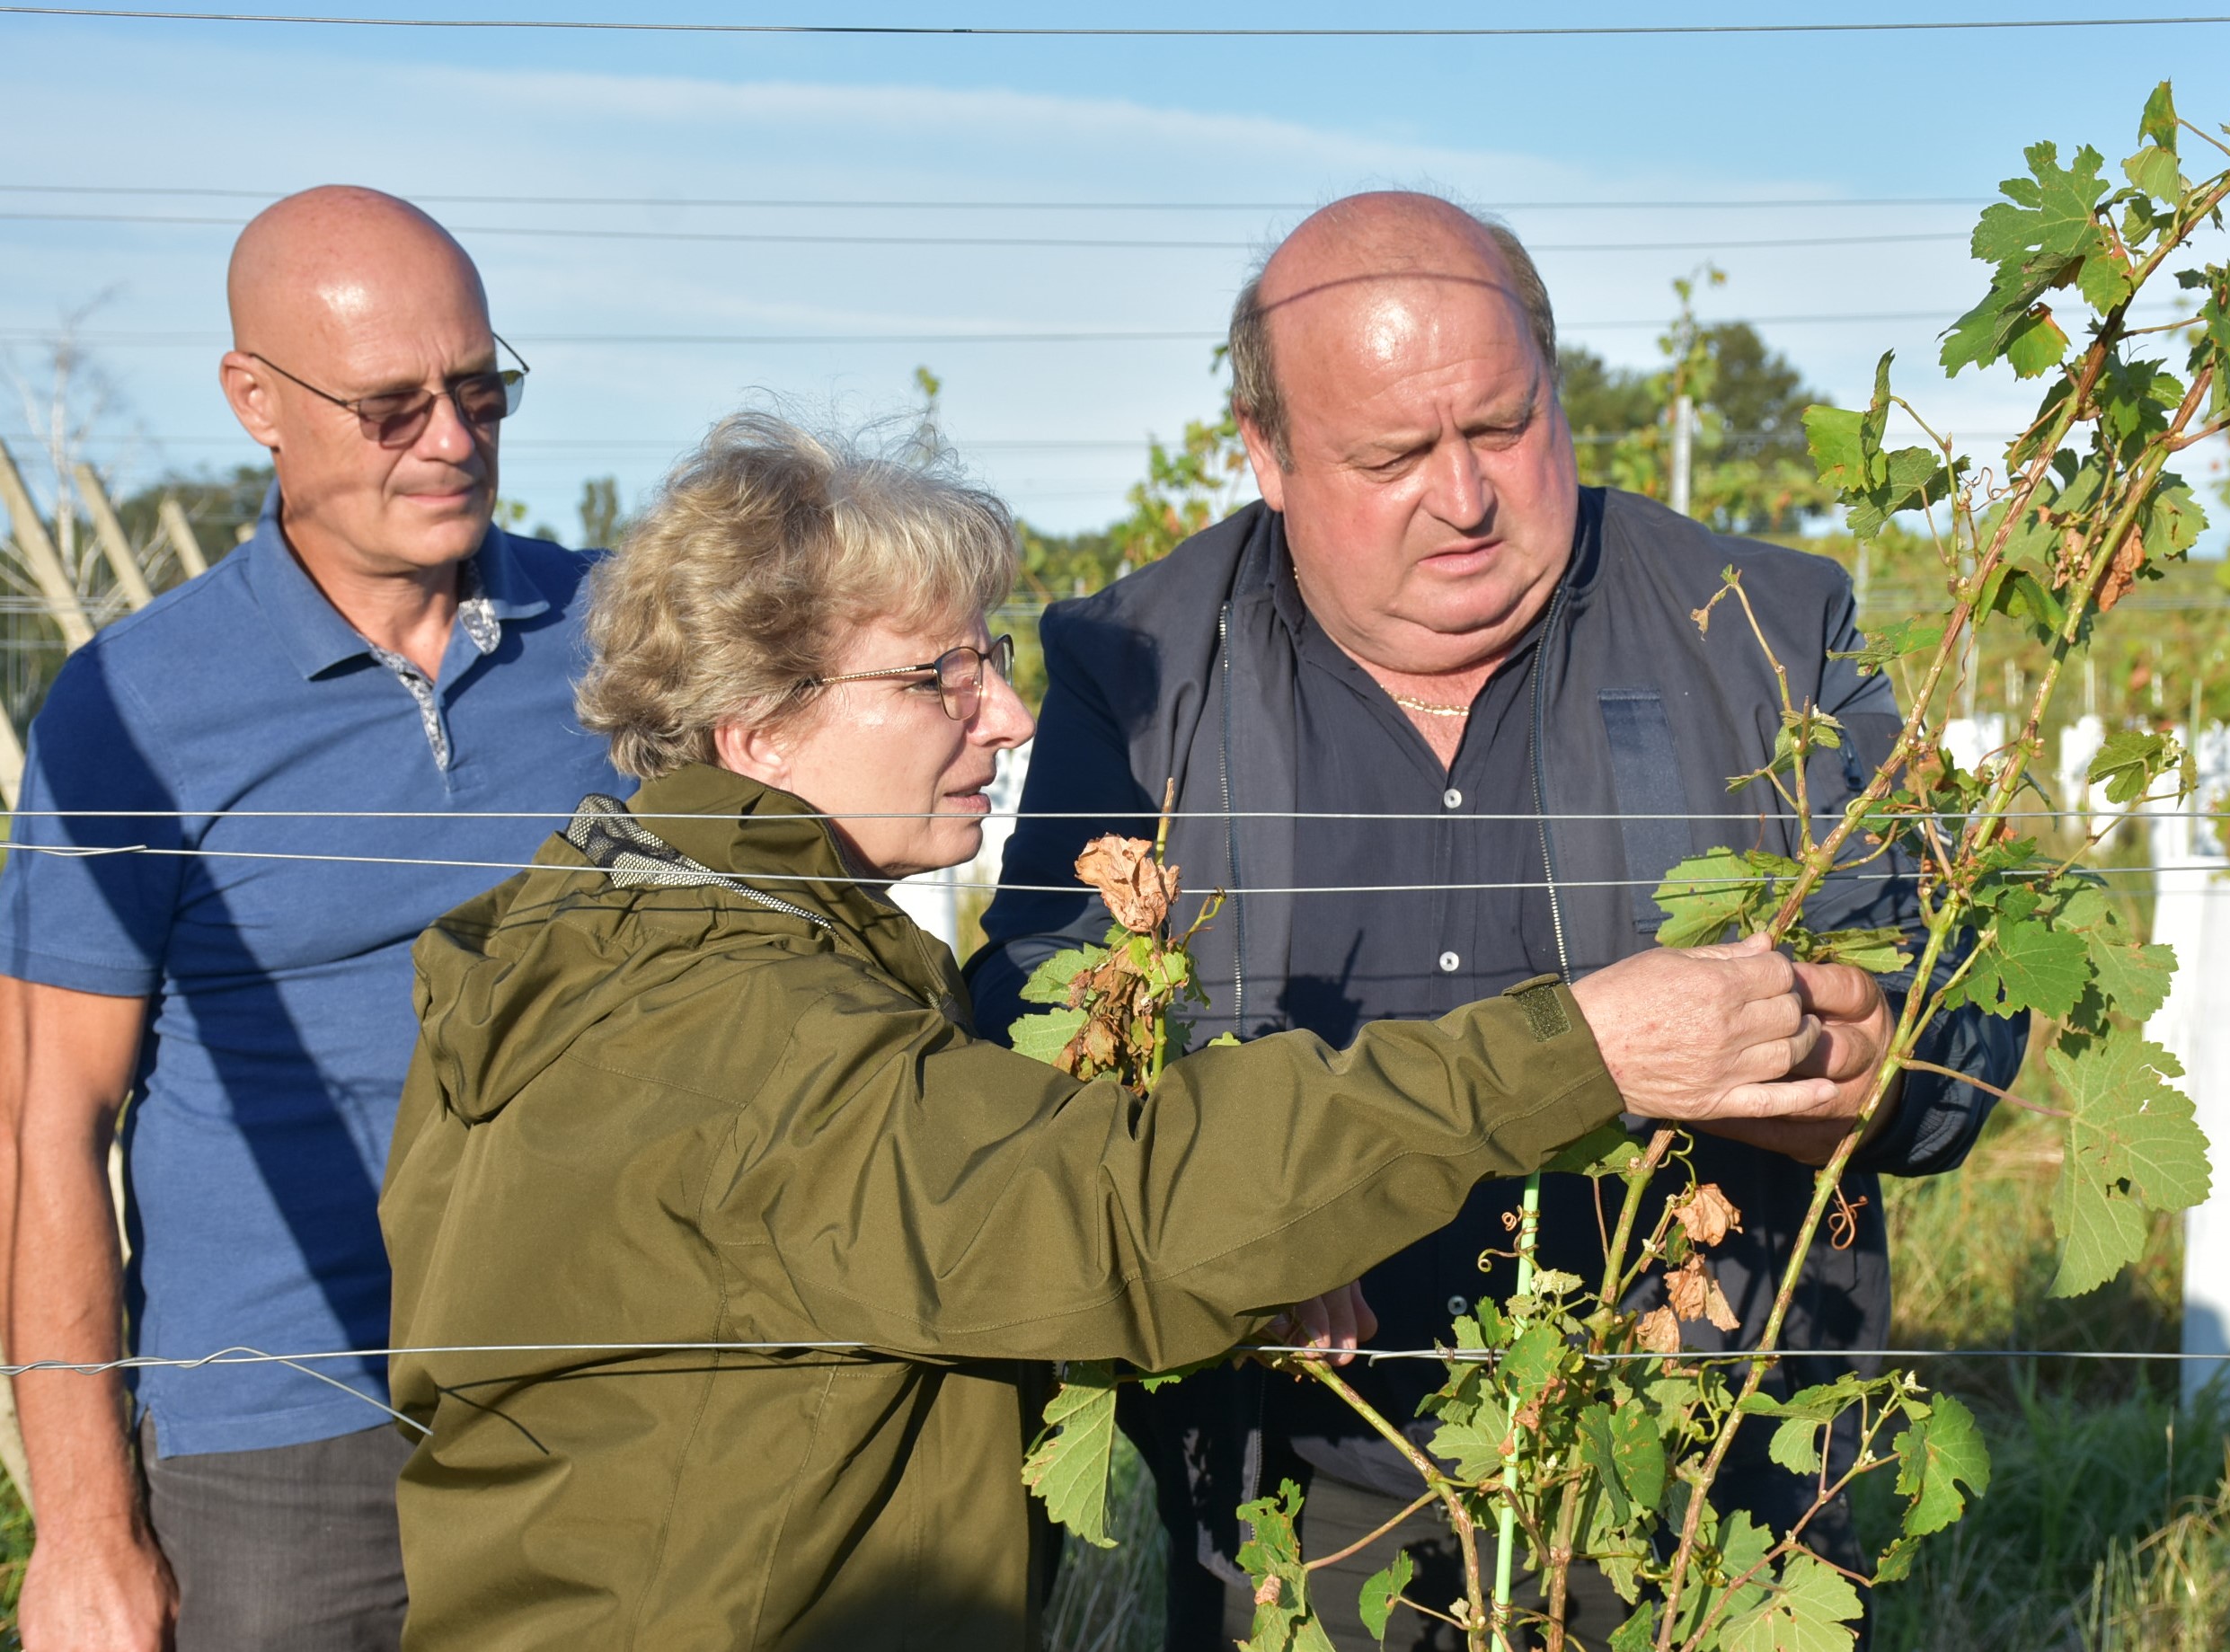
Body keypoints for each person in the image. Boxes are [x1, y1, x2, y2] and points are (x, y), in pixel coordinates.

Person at [377, 411, 1861, 1650]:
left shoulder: (640, 921)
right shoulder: (723, 1007)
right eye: (935, 678)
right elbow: (1107, 1210)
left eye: (992, 653)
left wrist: (1241, 1258)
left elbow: (938, 1233)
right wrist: (1574, 1049)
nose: (1008, 715)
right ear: (758, 731)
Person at [968, 191, 2029, 1648]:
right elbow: (1037, 1018)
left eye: (1503, 427)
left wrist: (1885, 1057)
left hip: (1704, 1488)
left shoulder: (1772, 631)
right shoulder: (1140, 669)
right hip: (1305, 1506)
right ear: (1265, 452)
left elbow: (1966, 997)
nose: (1463, 497)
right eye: (1393, 456)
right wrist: (1219, 1187)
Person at [1, 186, 624, 1652]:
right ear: (256, 402)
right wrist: (86, 1532)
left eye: (482, 390)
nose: (456, 442)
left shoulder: (624, 645)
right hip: (280, 1446)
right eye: (394, 407)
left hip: (592, 1398)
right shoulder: (138, 710)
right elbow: (46, 1127)